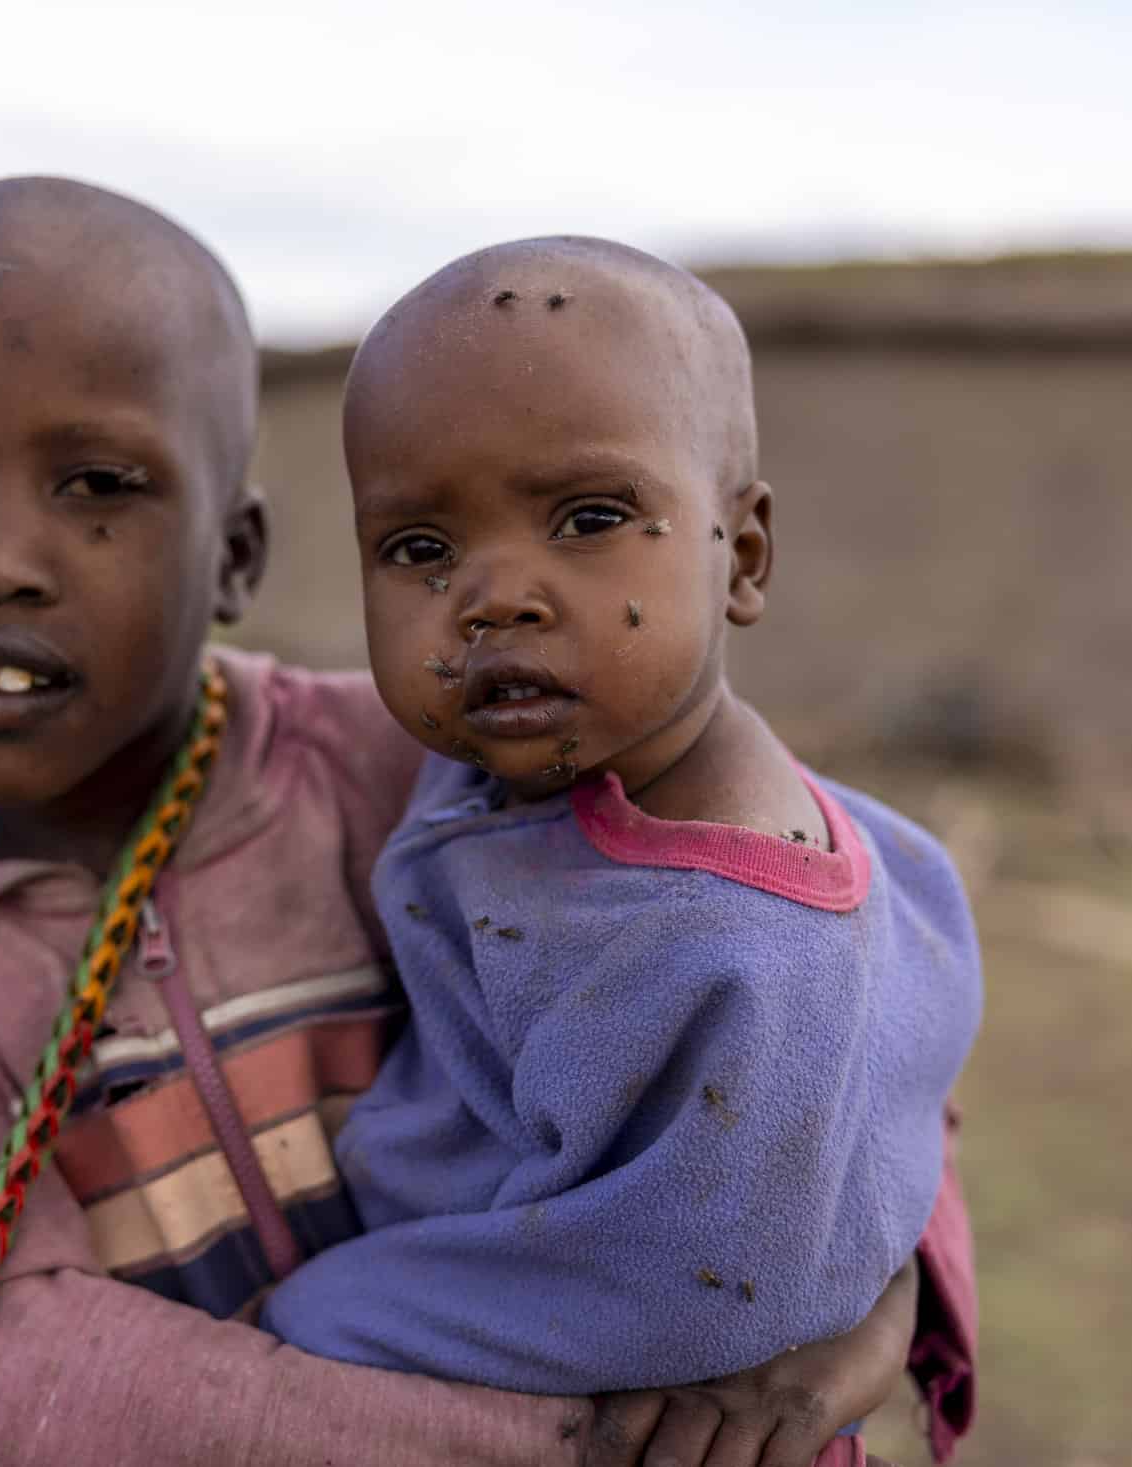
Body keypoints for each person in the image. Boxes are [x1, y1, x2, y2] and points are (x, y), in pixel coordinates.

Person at [0, 179, 977, 1467]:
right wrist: (579, 1446)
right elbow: (1, 1367)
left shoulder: (418, 760)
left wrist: (866, 1307)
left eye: (99, 481)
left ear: (235, 558)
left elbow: (833, 974)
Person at [257, 236, 983, 1432]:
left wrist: (307, 1327)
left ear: (739, 556)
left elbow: (683, 1295)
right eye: (419, 549)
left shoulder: (730, 946)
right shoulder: (512, 763)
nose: (493, 597)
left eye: (589, 518)